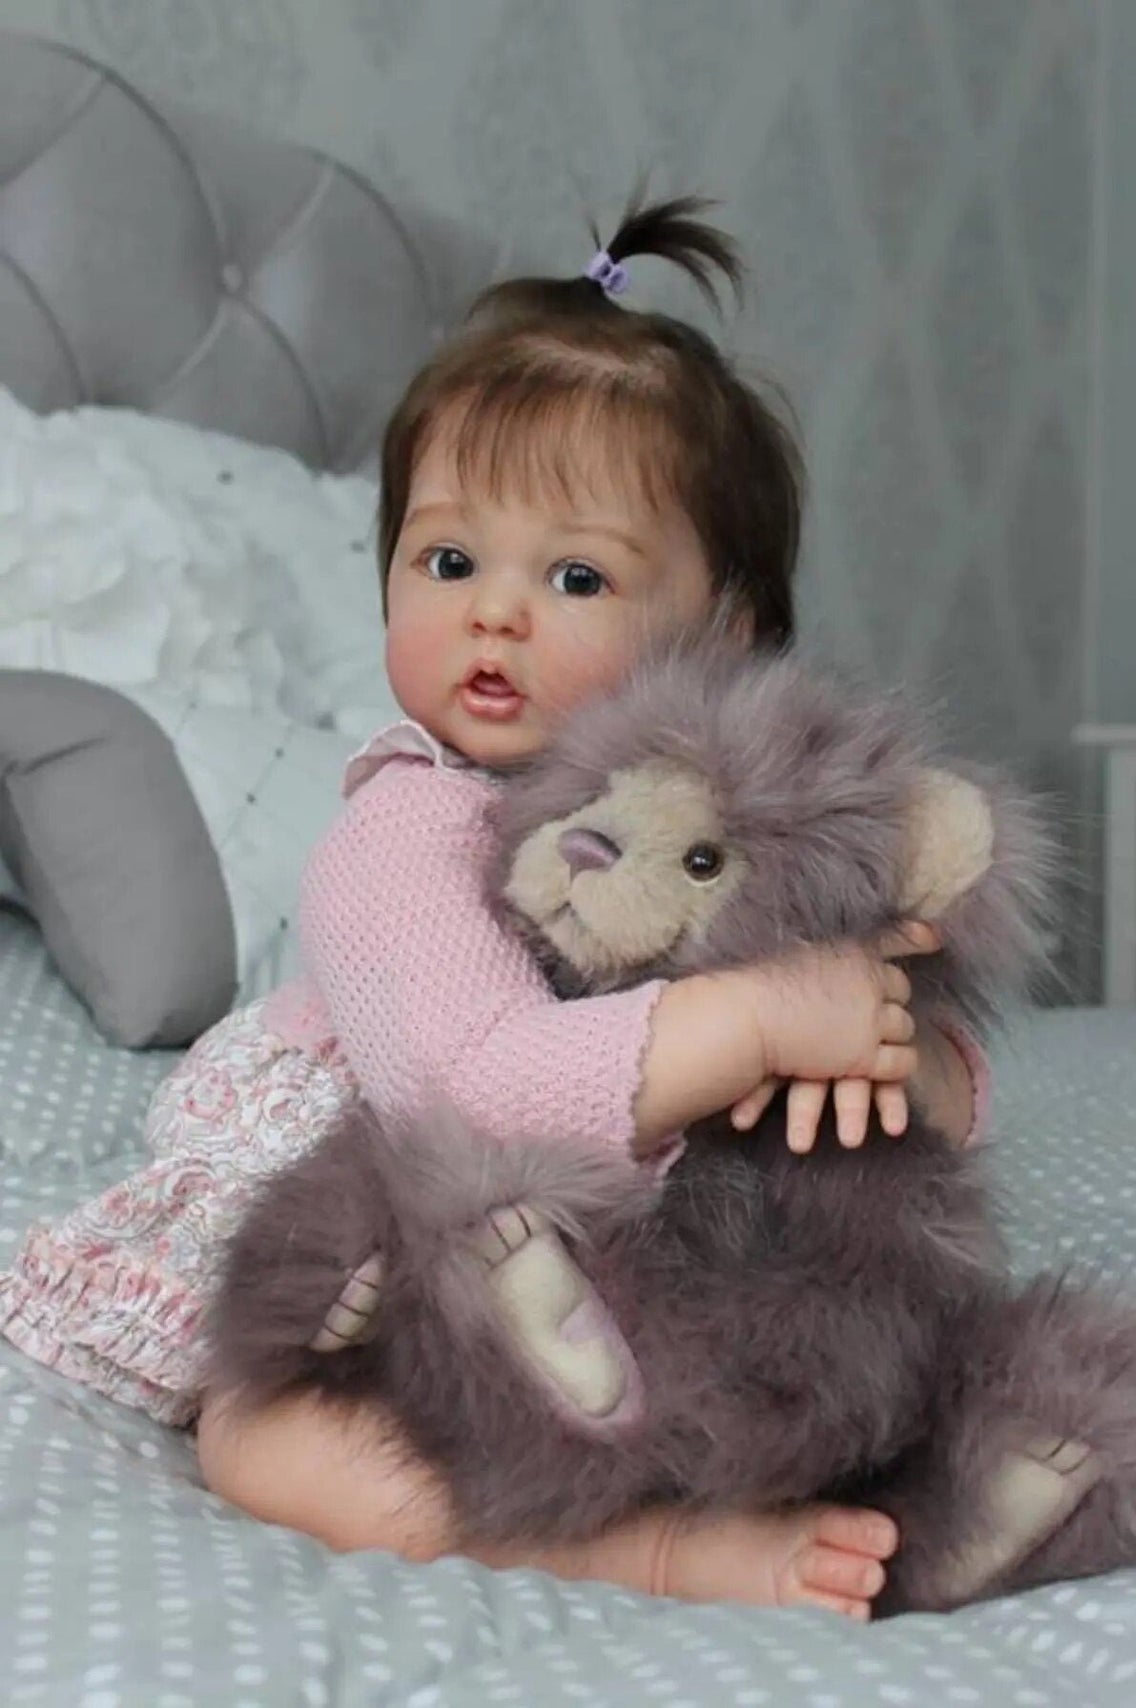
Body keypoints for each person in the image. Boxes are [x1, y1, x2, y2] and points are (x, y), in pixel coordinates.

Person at [0, 197, 984, 1620]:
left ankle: (936, 1469)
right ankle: (634, 1552)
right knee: (262, 1440)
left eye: (575, 574)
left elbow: (913, 1055)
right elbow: (479, 1087)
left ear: (727, 634)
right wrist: (766, 1021)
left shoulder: (747, 824)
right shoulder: (407, 829)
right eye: (448, 560)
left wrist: (899, 1058)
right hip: (410, 1264)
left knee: (866, 1319)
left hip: (671, 1266)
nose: (494, 613)